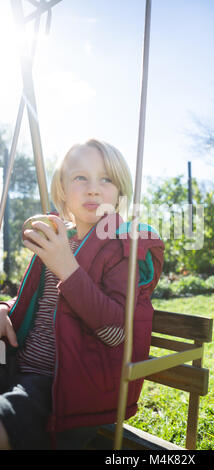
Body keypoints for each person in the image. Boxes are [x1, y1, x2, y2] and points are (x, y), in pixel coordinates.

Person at [0, 139, 164, 450]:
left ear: (119, 192)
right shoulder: (58, 237)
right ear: (62, 190)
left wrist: (67, 268)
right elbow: (32, 301)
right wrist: (6, 309)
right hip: (17, 364)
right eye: (80, 178)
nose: (93, 189)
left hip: (64, 391)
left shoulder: (123, 249)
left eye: (106, 179)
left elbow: (116, 332)